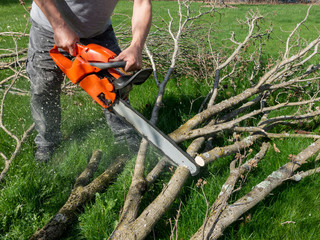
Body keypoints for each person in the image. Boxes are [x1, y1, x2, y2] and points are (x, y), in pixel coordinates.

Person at [26, 0, 152, 161]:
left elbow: (142, 3)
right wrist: (59, 26)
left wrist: (136, 46)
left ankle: (126, 138)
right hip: (48, 26)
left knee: (115, 86)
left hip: (98, 32)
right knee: (44, 87)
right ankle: (47, 142)